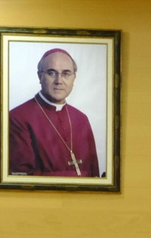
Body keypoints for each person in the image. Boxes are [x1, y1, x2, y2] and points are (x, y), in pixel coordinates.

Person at [7, 48, 101, 178]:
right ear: (40, 76)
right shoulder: (17, 117)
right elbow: (21, 177)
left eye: (66, 73)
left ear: (74, 78)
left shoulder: (81, 119)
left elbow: (94, 173)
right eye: (51, 73)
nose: (59, 80)